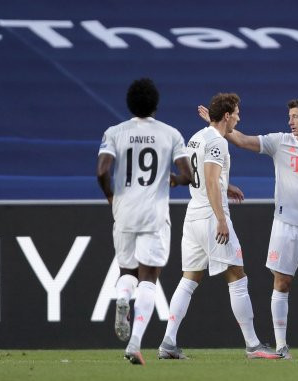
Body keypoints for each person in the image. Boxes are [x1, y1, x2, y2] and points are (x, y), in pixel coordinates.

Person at [158, 93, 282, 360]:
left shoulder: (197, 137)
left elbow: (203, 178)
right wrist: (222, 219)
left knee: (189, 278)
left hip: (193, 215)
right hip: (211, 217)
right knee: (237, 275)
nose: (239, 116)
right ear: (227, 116)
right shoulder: (217, 143)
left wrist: (226, 186)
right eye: (236, 112)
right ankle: (253, 345)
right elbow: (212, 181)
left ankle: (168, 342)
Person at [219, 99, 298, 358]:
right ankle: (281, 346)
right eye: (289, 117)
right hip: (285, 225)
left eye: (295, 116)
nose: (290, 121)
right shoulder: (280, 141)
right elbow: (241, 140)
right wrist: (218, 123)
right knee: (282, 282)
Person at [96, 78, 192, 365]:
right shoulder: (170, 134)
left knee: (127, 270)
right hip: (154, 213)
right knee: (149, 278)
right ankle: (134, 344)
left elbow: (102, 171)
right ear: (156, 104)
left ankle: (122, 296)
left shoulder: (115, 132)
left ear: (129, 103)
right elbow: (187, 175)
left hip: (124, 211)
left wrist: (110, 196)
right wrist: (173, 180)